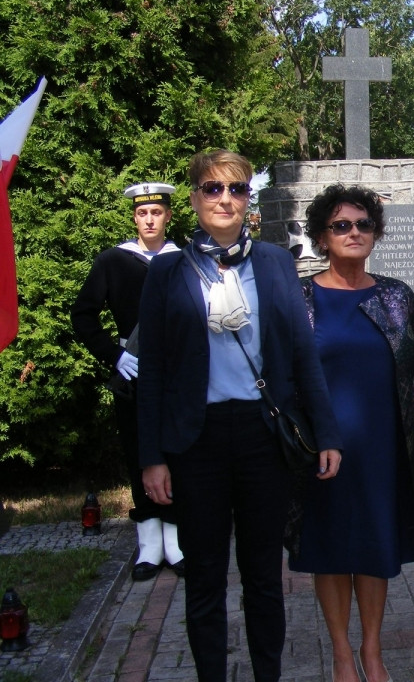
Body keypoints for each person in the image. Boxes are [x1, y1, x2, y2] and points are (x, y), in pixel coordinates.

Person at [137, 150, 343, 682]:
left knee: (262, 578)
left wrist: (327, 433)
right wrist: (152, 456)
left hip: (262, 434)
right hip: (196, 439)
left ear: (248, 198)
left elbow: (302, 353)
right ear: (194, 198)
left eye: (237, 189)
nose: (225, 199)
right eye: (212, 188)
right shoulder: (167, 270)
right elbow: (153, 368)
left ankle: (266, 675)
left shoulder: (274, 262)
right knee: (204, 577)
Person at [289, 183, 414, 682]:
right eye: (340, 225)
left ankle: (372, 650)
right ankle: (342, 654)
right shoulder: (299, 295)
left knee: (373, 548)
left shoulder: (396, 295)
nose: (354, 233)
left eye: (363, 224)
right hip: (323, 448)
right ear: (323, 237)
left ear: (376, 233)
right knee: (330, 549)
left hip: (382, 445)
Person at [71, 182, 184, 581]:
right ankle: (149, 543)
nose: (149, 219)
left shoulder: (184, 259)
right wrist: (116, 356)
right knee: (139, 451)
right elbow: (82, 316)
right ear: (134, 217)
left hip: (178, 371)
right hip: (133, 370)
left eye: (156, 212)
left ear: (168, 215)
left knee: (176, 450)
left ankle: (175, 539)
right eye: (142, 213)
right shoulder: (112, 261)